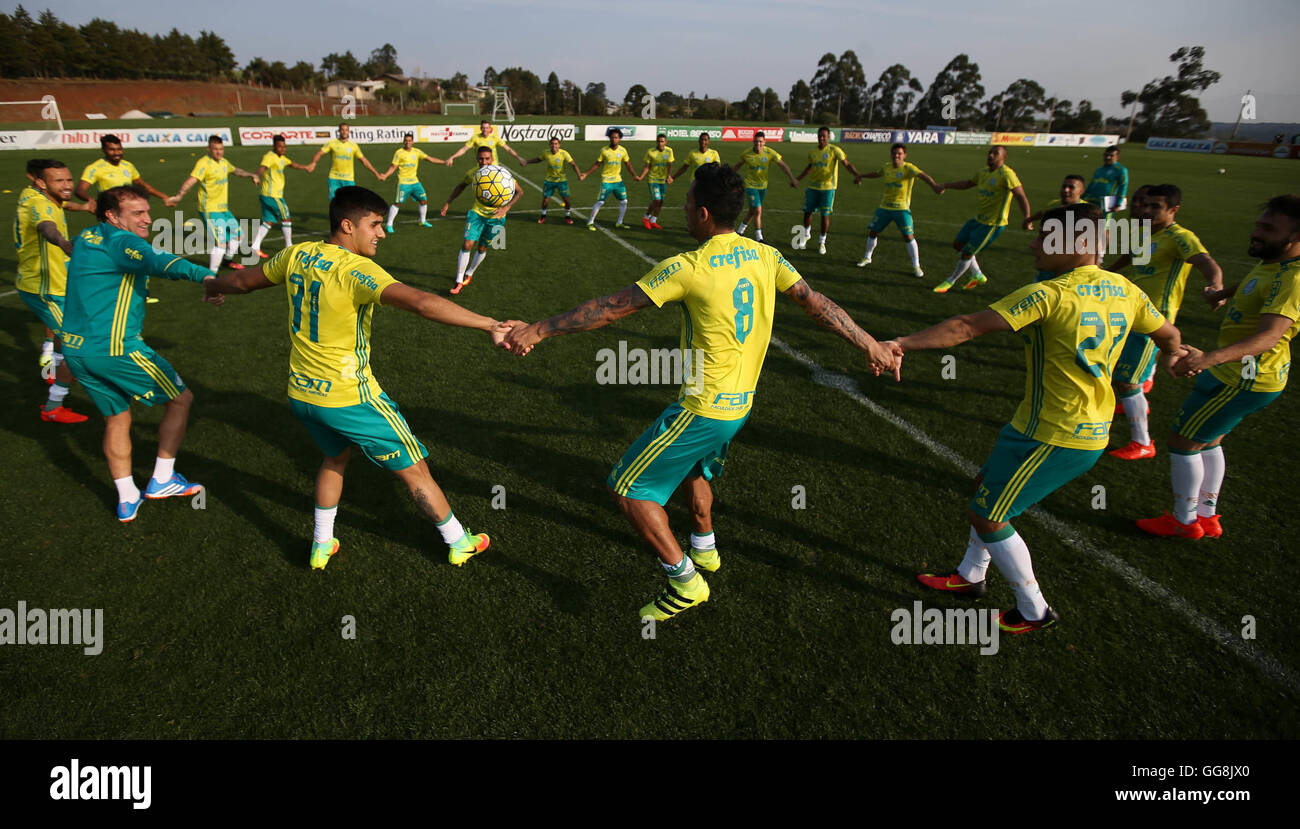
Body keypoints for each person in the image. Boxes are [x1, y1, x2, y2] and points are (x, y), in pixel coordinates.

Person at [501, 163, 898, 621]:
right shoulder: (766, 255)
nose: (684, 210)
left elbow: (610, 309)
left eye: (688, 205)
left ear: (705, 214)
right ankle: (705, 548)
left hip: (703, 407)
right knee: (694, 469)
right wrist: (870, 342)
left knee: (628, 489)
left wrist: (538, 330)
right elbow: (816, 303)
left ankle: (685, 581)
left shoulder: (689, 267)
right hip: (741, 402)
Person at [893, 201, 1182, 633]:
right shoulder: (1126, 289)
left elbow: (967, 327)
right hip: (1049, 424)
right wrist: (1177, 354)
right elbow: (1168, 334)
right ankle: (971, 576)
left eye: (1045, 237)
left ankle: (1033, 610)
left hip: (1057, 432)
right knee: (985, 487)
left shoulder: (1050, 293)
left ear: (1080, 242)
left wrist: (899, 343)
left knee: (988, 515)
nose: (1033, 245)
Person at [204, 186, 519, 567]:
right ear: (348, 225)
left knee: (334, 458)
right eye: (374, 225)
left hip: (302, 393)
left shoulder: (296, 253)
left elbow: (240, 282)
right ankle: (458, 541)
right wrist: (489, 325)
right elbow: (421, 303)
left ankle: (321, 544)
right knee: (415, 469)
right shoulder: (357, 270)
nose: (382, 234)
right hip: (349, 396)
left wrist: (211, 286)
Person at [1136, 194, 1300, 540]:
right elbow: (1262, 283)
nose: (1257, 232)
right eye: (1259, 224)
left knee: (1182, 441)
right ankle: (1207, 516)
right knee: (1209, 440)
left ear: (1296, 238)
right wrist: (1224, 293)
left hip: (1241, 378)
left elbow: (1268, 337)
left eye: (1268, 228)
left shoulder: (1294, 279)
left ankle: (1183, 521)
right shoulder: (1277, 262)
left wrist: (1207, 358)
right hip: (1247, 377)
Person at [59, 186, 224, 522]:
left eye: (147, 212)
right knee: (181, 399)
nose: (147, 219)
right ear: (112, 215)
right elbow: (160, 261)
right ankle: (162, 479)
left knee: (117, 417)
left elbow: (68, 242)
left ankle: (126, 497)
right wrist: (207, 276)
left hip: (75, 351)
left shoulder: (89, 235)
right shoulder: (123, 241)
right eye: (137, 213)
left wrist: (49, 232)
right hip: (116, 349)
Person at [1106, 184, 1223, 461]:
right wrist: (1103, 273)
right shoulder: (1145, 233)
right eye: (1145, 205)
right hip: (1129, 312)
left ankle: (1142, 442)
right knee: (1120, 374)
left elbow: (1206, 262)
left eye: (1155, 207)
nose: (1146, 211)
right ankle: (1141, 387)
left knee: (1126, 382)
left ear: (1174, 210)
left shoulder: (1180, 237)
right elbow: (1130, 258)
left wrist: (1215, 285)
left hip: (1155, 320)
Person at [14, 159, 93, 422]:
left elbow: (60, 204)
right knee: (78, 342)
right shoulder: (38, 203)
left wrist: (81, 207)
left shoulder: (35, 193)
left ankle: (52, 372)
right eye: (59, 181)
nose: (67, 185)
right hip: (43, 287)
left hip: (58, 282)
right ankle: (53, 407)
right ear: (40, 182)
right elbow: (46, 226)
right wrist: (61, 242)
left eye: (69, 179)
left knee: (67, 336)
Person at [931, 145, 1032, 293]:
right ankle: (977, 275)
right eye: (990, 152)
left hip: (993, 224)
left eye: (995, 153)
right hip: (978, 220)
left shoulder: (1007, 175)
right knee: (958, 245)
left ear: (1003, 157)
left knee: (967, 253)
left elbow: (1020, 196)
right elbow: (967, 184)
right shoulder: (983, 172)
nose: (990, 155)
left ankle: (950, 281)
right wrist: (946, 185)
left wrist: (1027, 218)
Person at [167, 135, 259, 273]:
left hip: (223, 209)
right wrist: (179, 196)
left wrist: (251, 175)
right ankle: (211, 274)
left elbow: (236, 171)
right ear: (208, 149)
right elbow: (191, 180)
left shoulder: (223, 162)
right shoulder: (203, 163)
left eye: (221, 149)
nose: (219, 152)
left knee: (239, 236)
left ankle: (227, 261)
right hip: (210, 210)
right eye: (215, 149)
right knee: (221, 243)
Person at [439, 146, 524, 294]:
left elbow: (520, 191)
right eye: (480, 158)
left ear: (492, 159)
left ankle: (470, 273)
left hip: (497, 219)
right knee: (467, 244)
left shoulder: (501, 174)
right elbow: (460, 186)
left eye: (487, 158)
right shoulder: (473, 173)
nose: (484, 162)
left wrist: (506, 208)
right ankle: (458, 280)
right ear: (476, 158)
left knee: (482, 248)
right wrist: (448, 202)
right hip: (477, 214)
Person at [854, 142, 943, 277]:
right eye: (894, 153)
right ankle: (867, 257)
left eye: (899, 154)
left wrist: (934, 185)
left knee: (908, 236)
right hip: (884, 207)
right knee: (873, 232)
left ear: (904, 155)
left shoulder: (909, 168)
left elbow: (923, 176)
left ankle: (916, 266)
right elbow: (876, 173)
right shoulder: (887, 167)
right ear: (891, 154)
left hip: (902, 209)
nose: (896, 155)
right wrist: (862, 176)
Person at [793, 126, 864, 255]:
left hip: (828, 188)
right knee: (807, 212)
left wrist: (857, 175)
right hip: (813, 187)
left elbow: (846, 164)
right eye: (819, 136)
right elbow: (810, 168)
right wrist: (798, 179)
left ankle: (822, 242)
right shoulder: (813, 152)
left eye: (824, 136)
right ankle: (806, 234)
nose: (821, 138)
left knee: (825, 215)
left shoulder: (834, 150)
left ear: (828, 137)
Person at [251, 134, 310, 258]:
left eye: (284, 147)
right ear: (274, 146)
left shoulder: (282, 158)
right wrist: (256, 175)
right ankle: (289, 247)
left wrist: (305, 167)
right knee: (286, 217)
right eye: (280, 147)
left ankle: (255, 246)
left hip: (267, 196)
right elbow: (262, 168)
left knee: (269, 221)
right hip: (272, 196)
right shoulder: (269, 157)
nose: (283, 149)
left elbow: (292, 164)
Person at [733, 130, 797, 243]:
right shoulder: (747, 154)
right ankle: (759, 238)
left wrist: (792, 178)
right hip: (750, 186)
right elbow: (736, 166)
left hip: (763, 187)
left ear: (764, 142)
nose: (758, 144)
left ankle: (739, 232)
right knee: (758, 210)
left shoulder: (770, 153)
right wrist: (727, 178)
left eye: (761, 142)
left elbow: (783, 165)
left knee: (752, 211)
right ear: (753, 142)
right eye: (756, 141)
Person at [75, 134, 170, 208]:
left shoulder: (128, 166)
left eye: (119, 149)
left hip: (128, 210)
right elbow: (80, 190)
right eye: (112, 150)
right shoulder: (95, 168)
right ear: (103, 150)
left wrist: (164, 197)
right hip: (109, 212)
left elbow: (143, 185)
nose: (117, 153)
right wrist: (90, 200)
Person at [380, 132, 446, 232]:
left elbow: (430, 159)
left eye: (409, 141)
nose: (408, 142)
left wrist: (444, 162)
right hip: (403, 183)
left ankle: (422, 221)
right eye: (406, 141)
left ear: (413, 142)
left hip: (415, 182)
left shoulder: (417, 152)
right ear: (403, 141)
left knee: (423, 200)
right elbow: (393, 167)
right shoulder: (399, 153)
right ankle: (389, 224)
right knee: (398, 203)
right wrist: (385, 175)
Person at [1031, 174, 1089, 282]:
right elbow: (1042, 212)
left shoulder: (1087, 212)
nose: (1065, 190)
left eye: (1071, 187)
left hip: (1071, 268)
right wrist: (1029, 220)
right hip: (1048, 262)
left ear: (1081, 191)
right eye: (1064, 186)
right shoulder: (1054, 205)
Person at [308, 123, 385, 199]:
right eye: (342, 130)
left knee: (350, 202)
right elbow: (319, 153)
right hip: (334, 178)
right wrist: (313, 163)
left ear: (349, 131)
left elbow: (364, 160)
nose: (344, 132)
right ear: (339, 131)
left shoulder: (353, 145)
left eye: (346, 130)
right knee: (335, 201)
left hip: (348, 179)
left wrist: (376, 173)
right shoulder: (332, 143)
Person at [580, 128, 637, 231]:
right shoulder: (604, 150)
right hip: (606, 181)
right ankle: (590, 222)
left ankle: (619, 223)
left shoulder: (623, 150)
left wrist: (634, 175)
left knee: (624, 201)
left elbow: (628, 164)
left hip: (618, 181)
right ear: (609, 138)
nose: (614, 139)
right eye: (612, 137)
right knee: (601, 202)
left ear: (619, 139)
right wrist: (586, 174)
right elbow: (597, 164)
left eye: (616, 137)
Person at [522, 136, 581, 224]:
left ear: (559, 145)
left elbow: (573, 164)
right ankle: (543, 215)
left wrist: (579, 174)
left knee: (567, 200)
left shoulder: (564, 153)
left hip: (562, 181)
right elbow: (538, 159)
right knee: (545, 200)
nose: (554, 146)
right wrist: (527, 162)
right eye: (552, 144)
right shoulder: (546, 153)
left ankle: (567, 215)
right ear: (550, 145)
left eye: (556, 144)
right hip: (549, 181)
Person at [443, 119, 525, 168]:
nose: (485, 129)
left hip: (494, 166)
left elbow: (508, 149)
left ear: (490, 129)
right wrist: (452, 157)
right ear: (480, 128)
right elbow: (464, 149)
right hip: (481, 167)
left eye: (487, 128)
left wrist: (519, 158)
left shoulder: (495, 138)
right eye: (483, 128)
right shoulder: (475, 138)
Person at [635, 133, 675, 230]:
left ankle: (653, 221)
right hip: (653, 180)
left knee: (661, 202)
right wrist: (641, 177)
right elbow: (647, 167)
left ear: (665, 142)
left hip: (662, 180)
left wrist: (669, 176)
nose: (660, 143)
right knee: (656, 200)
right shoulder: (650, 152)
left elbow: (670, 165)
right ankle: (646, 217)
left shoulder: (669, 151)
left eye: (662, 141)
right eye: (658, 141)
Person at [1083, 146, 1129, 215]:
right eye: (1106, 155)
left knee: (1104, 224)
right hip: (1092, 202)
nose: (1107, 157)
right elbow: (1091, 185)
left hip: (1107, 204)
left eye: (1111, 155)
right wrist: (1081, 198)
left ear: (1117, 157)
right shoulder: (1099, 169)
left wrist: (1118, 203)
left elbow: (1123, 187)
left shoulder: (1121, 170)